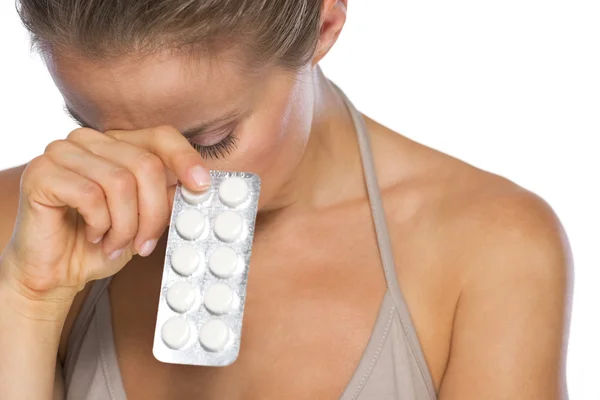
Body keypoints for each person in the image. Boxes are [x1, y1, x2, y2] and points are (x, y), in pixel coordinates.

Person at [0, 1, 572, 399]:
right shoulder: (28, 226)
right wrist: (28, 301)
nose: (152, 178)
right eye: (100, 133)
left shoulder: (492, 249)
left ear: (324, 25)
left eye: (207, 140)